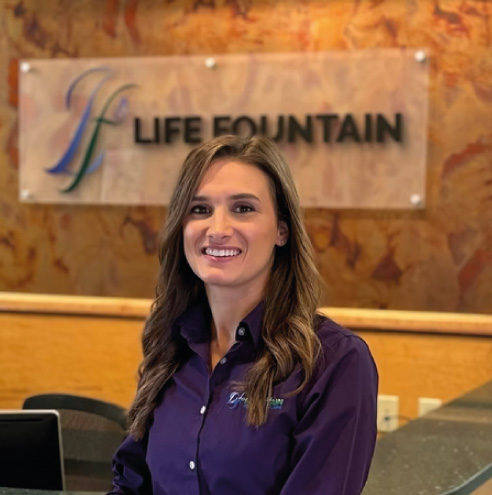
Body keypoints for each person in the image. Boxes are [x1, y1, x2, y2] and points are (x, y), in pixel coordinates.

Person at [109, 135, 378, 495]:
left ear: (282, 230)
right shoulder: (171, 346)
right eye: (200, 209)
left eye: (243, 208)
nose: (218, 229)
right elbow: (131, 484)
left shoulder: (335, 361)